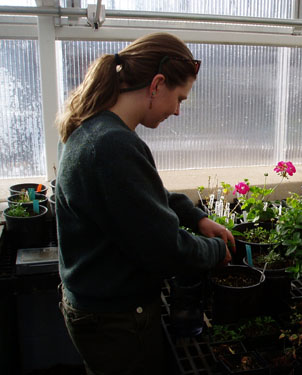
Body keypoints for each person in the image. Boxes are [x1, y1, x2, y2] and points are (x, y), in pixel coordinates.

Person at [55, 32, 234, 375]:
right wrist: (214, 252)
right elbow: (167, 250)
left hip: (96, 308)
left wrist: (195, 217)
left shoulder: (95, 127)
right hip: (116, 321)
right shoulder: (111, 145)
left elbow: (140, 197)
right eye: (179, 98)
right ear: (157, 84)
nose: (178, 111)